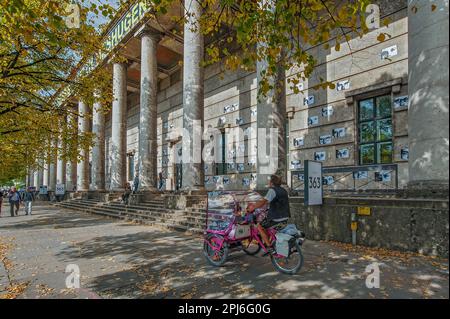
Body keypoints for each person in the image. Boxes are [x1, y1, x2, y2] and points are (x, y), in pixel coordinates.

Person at [246, 174, 290, 253]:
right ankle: (268, 242)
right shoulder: (283, 190)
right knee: (267, 226)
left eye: (269, 181)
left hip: (276, 218)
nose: (268, 182)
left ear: (272, 182)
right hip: (285, 216)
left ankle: (269, 247)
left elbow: (263, 202)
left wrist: (253, 207)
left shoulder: (272, 190)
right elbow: (273, 201)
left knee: (260, 226)